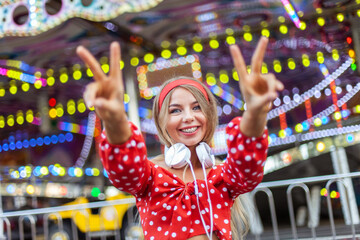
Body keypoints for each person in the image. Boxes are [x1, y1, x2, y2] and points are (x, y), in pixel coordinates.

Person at [76, 36, 284, 240]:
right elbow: (124, 170)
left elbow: (248, 167)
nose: (188, 117)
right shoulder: (149, 177)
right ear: (161, 122)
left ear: (209, 115)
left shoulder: (223, 176)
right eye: (175, 111)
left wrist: (256, 113)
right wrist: (114, 120)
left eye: (196, 107)